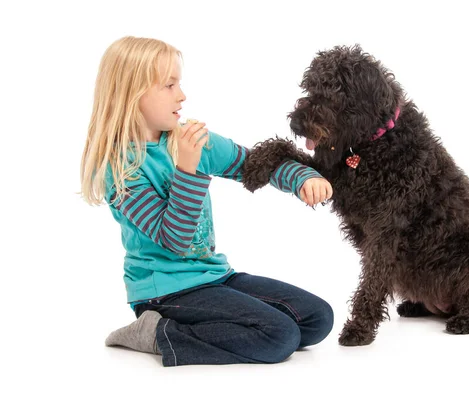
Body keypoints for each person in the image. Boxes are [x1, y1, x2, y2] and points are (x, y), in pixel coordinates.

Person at [80, 36, 334, 367]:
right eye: (169, 85)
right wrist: (188, 168)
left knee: (317, 319)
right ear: (133, 94)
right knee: (279, 337)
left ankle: (217, 324)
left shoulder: (185, 139)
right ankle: (159, 334)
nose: (182, 95)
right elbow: (174, 240)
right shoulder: (120, 167)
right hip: (165, 291)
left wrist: (303, 178)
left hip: (214, 275)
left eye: (179, 84)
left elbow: (253, 163)